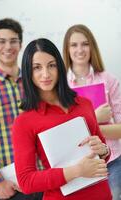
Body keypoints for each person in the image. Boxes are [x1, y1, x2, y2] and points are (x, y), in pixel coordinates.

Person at [12, 38, 112, 200]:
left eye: (51, 65)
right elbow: (26, 182)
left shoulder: (84, 104)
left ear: (59, 66)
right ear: (28, 72)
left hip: (101, 194)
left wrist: (103, 150)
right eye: (37, 67)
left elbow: (103, 155)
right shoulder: (24, 122)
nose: (45, 74)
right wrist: (76, 171)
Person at [63, 24, 121, 200]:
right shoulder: (61, 86)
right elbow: (64, 134)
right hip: (76, 167)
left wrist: (92, 130)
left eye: (85, 44)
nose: (80, 49)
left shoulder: (108, 80)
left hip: (112, 163)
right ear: (67, 49)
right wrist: (95, 118)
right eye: (74, 45)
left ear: (92, 47)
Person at [0, 18, 43, 200]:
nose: (8, 46)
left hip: (44, 177)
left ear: (20, 44)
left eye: (13, 41)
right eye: (1, 41)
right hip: (11, 186)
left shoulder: (36, 82)